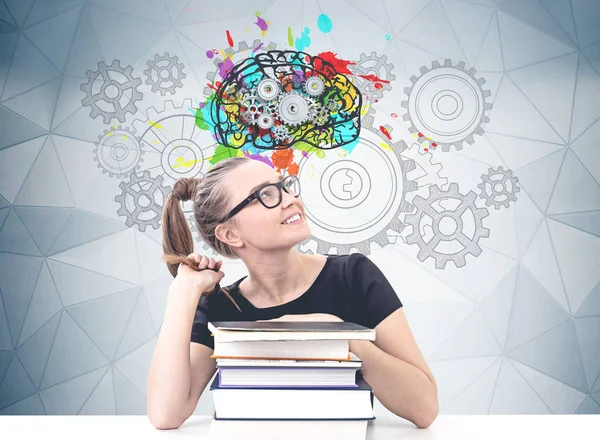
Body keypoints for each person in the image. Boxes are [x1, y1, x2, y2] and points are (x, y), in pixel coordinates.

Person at [147, 156, 438, 430]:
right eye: (265, 195)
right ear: (230, 234)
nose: (289, 199)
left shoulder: (354, 277)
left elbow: (425, 408)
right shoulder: (222, 307)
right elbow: (166, 413)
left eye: (284, 186)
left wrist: (343, 339)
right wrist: (182, 294)